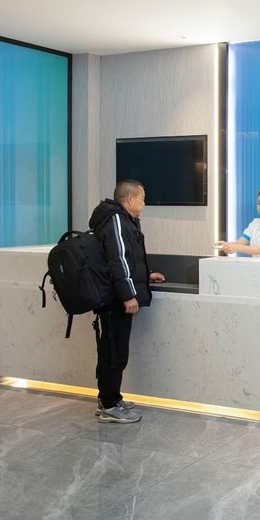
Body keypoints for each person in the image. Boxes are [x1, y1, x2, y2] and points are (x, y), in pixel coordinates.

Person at [88, 179, 165, 423]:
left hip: (115, 296)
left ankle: (109, 398)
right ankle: (110, 405)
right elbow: (118, 260)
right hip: (115, 299)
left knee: (113, 349)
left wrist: (146, 275)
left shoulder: (122, 220)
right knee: (114, 351)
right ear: (130, 199)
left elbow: (128, 258)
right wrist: (128, 295)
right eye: (142, 198)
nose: (144, 203)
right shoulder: (116, 220)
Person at [214, 186, 260, 259]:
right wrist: (225, 245)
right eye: (258, 203)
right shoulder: (255, 223)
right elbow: (240, 243)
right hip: (254, 266)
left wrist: (237, 248)